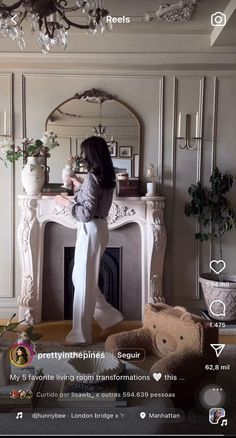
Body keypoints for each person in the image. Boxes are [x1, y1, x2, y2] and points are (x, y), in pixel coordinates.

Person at [55, 136, 124, 345]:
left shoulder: (94, 178)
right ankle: (110, 317)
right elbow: (90, 199)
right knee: (80, 278)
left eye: (85, 152)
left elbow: (84, 212)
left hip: (90, 228)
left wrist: (64, 202)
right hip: (99, 228)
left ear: (91, 154)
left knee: (83, 282)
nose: (83, 156)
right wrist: (78, 184)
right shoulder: (105, 177)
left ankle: (81, 335)